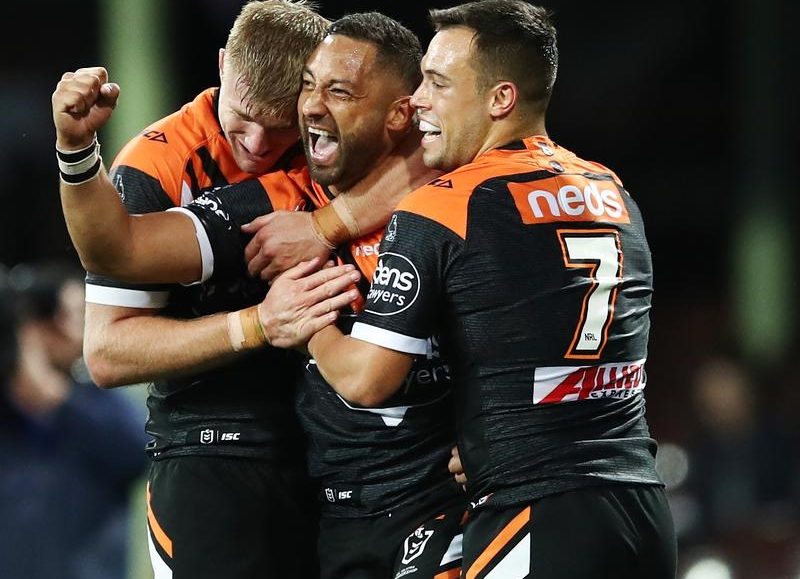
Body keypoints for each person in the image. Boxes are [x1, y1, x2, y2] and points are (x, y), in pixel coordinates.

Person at [267, 1, 679, 578]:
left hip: (536, 515)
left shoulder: (443, 206)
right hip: (643, 509)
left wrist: (305, 319)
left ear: (499, 99)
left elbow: (365, 380)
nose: (418, 101)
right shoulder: (612, 192)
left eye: (438, 83)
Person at [52, 11, 466, 579]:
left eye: (279, 129)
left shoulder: (334, 164)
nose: (256, 147)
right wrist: (258, 324)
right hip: (217, 451)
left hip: (340, 470)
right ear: (223, 66)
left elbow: (438, 144)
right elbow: (107, 343)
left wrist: (327, 225)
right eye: (243, 121)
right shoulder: (163, 168)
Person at [0, 262, 148, 579]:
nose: (78, 330)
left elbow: (139, 453)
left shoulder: (96, 399)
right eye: (72, 316)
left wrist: (51, 394)